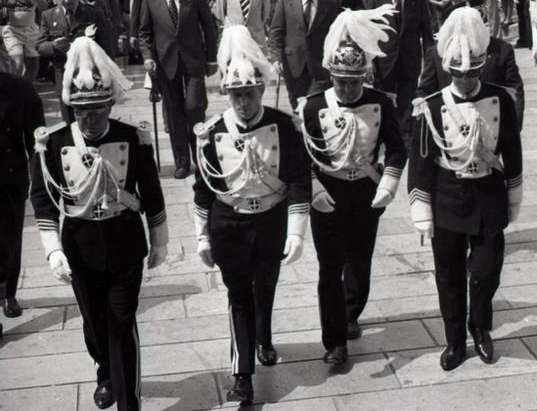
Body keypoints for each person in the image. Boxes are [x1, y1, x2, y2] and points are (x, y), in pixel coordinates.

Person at [30, 34, 168, 411]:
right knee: (95, 324)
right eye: (81, 110)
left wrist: (160, 241)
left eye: (97, 109)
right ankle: (104, 370)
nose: (89, 118)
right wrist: (52, 250)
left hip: (124, 243)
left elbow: (151, 192)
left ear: (110, 104)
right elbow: (42, 199)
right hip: (80, 245)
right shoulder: (53, 144)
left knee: (122, 323)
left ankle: (129, 401)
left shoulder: (131, 138)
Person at [192, 25, 310, 404]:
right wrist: (201, 236)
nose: (243, 102)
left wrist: (296, 232)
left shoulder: (284, 126)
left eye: (249, 93)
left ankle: (264, 336)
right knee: (239, 296)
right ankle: (242, 373)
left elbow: (296, 179)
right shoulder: (212, 133)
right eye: (236, 95)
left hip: (271, 220)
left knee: (266, 285)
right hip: (230, 223)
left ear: (261, 90)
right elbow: (203, 190)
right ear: (226, 94)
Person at [408, 6, 523, 371]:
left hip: (488, 196)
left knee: (487, 271)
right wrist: (421, 208)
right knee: (450, 276)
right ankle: (455, 339)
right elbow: (421, 162)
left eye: (472, 72)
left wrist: (513, 195)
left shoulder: (499, 99)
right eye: (458, 72)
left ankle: (480, 327)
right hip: (447, 198)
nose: (465, 79)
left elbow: (512, 150)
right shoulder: (430, 105)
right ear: (448, 69)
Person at [298, 5, 407, 365]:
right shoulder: (313, 107)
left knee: (359, 262)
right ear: (331, 76)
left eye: (353, 82)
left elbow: (396, 148)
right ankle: (334, 340)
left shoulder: (379, 103)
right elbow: (302, 157)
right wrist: (314, 190)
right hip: (328, 192)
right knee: (329, 266)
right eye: (340, 81)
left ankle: (351, 312)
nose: (346, 88)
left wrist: (389, 183)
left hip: (365, 190)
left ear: (364, 78)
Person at [138, 0, 218, 179]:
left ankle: (201, 158)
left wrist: (212, 59)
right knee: (174, 115)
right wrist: (147, 56)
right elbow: (143, 32)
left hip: (193, 61)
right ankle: (182, 162)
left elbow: (209, 28)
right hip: (165, 64)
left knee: (194, 108)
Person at [419, 0, 524, 129]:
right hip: (451, 127)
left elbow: (514, 90)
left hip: (492, 126)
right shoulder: (437, 53)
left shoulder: (501, 50)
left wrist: (515, 124)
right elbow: (426, 91)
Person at [363, 0, 434, 144]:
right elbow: (368, 32)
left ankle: (404, 139)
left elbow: (426, 31)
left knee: (406, 101)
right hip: (383, 60)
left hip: (409, 59)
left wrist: (430, 60)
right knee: (383, 100)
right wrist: (369, 61)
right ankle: (383, 137)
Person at [37, 0, 115, 123]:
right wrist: (53, 46)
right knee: (69, 121)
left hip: (91, 77)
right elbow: (39, 45)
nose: (67, 1)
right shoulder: (49, 15)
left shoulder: (94, 14)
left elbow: (107, 47)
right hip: (64, 75)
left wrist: (109, 77)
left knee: (94, 120)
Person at [0, 72, 43, 320]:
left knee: (10, 237)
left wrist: (38, 177)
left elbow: (37, 140)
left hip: (10, 175)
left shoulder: (20, 88)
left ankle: (9, 293)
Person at [268, 0, 340, 104]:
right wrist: (276, 59)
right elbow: (276, 32)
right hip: (293, 64)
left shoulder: (330, 4)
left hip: (320, 66)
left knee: (316, 104)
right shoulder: (285, 1)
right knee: (296, 105)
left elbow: (335, 34)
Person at [0, 0, 48, 79]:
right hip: (11, 29)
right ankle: (14, 92)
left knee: (33, 64)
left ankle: (26, 89)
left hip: (30, 28)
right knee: (17, 61)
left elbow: (44, 7)